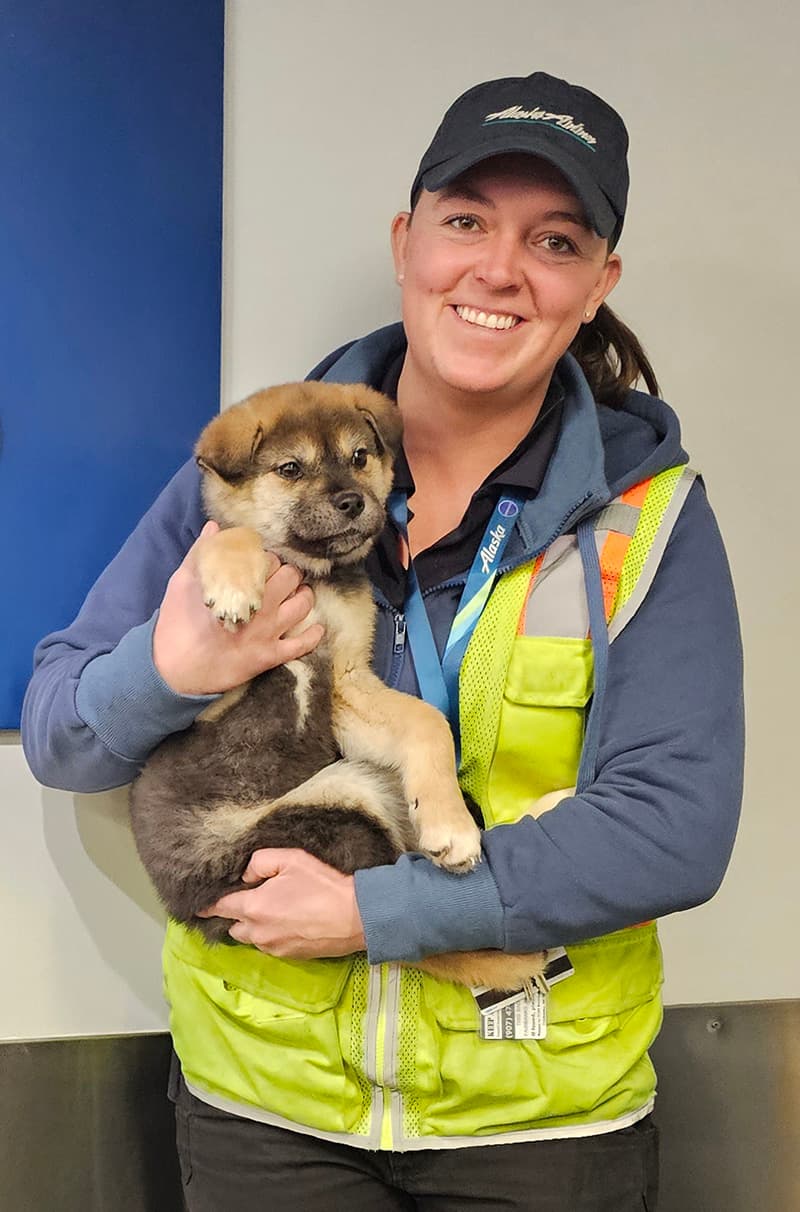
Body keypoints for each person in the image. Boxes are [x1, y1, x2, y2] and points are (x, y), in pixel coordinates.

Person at [22, 71, 743, 1211]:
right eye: (465, 222)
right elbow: (64, 736)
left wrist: (379, 916)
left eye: (552, 240)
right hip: (264, 1111)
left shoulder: (645, 516)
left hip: (535, 1123)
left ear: (597, 285)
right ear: (407, 242)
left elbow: (673, 830)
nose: (498, 269)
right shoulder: (243, 481)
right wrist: (169, 674)